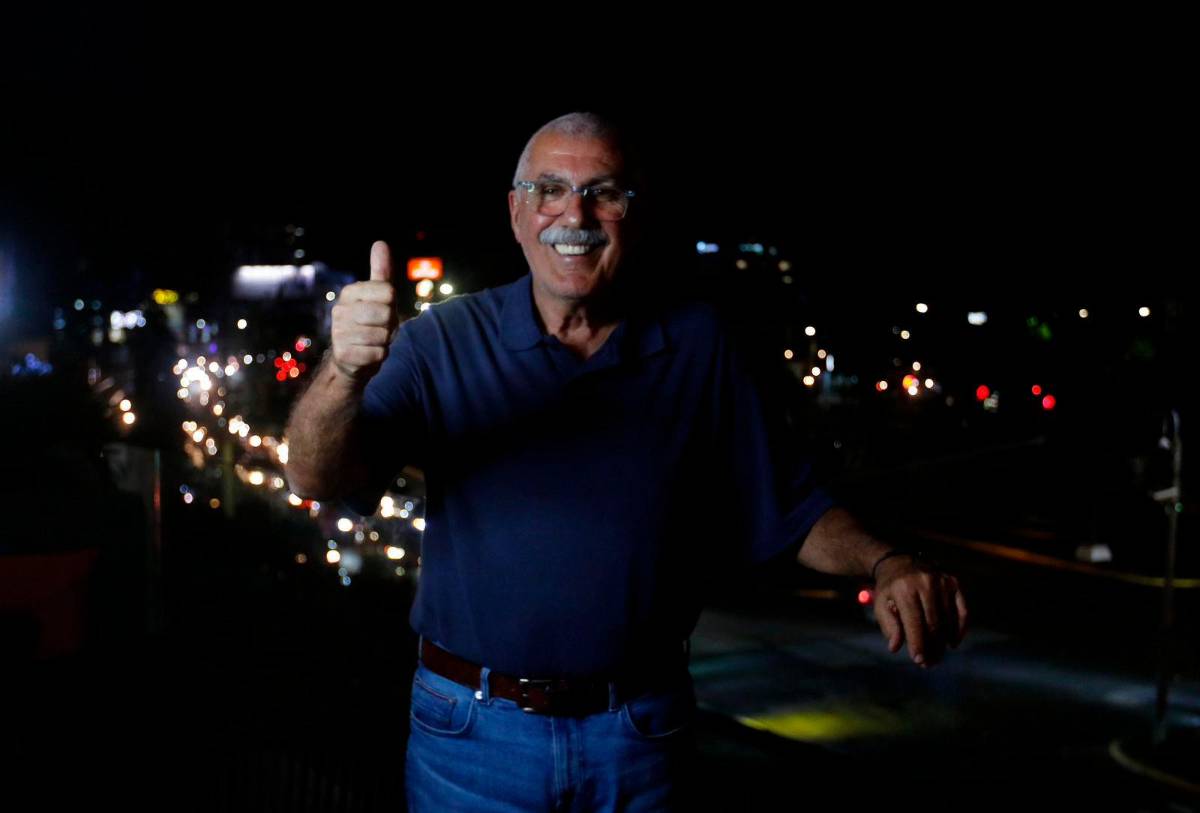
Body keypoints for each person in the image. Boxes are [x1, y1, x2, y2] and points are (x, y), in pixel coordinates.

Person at [283, 112, 968, 811]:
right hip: (471, 736)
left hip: (643, 737)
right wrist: (343, 371)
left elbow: (790, 509)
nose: (574, 215)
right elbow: (313, 476)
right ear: (516, 213)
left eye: (602, 193)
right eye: (549, 189)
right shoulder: (441, 340)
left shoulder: (698, 343)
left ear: (633, 216)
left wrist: (889, 562)